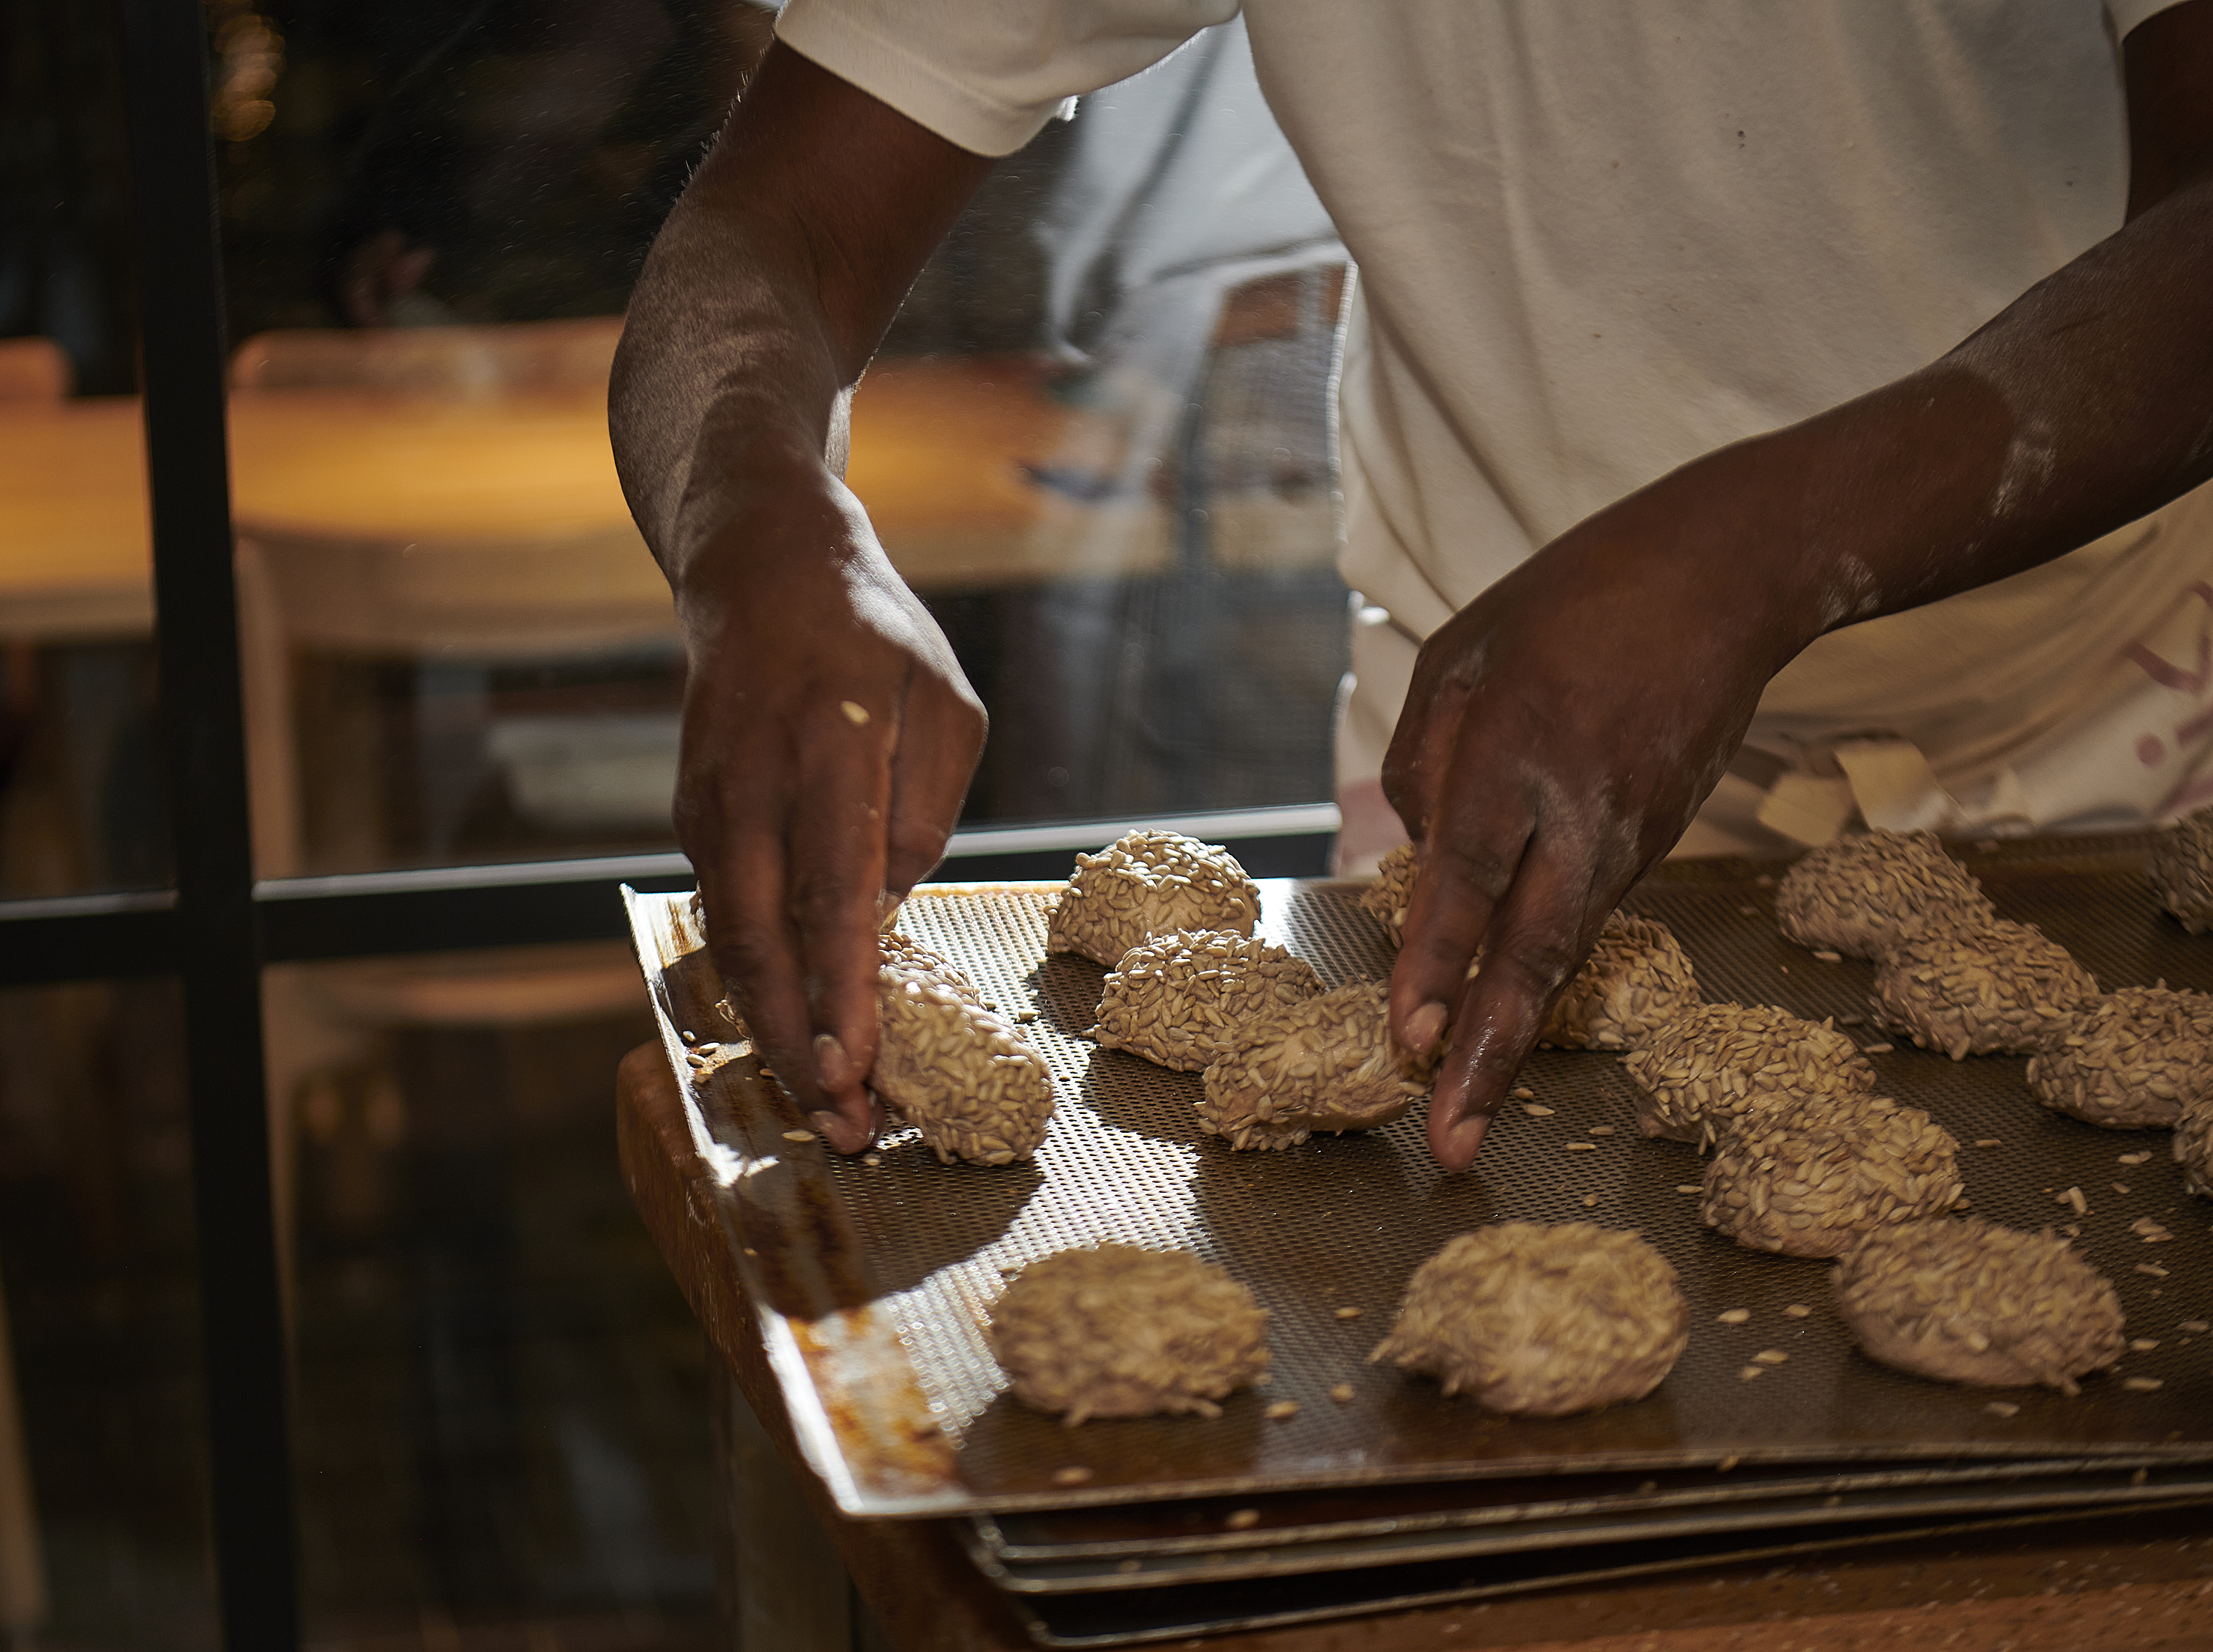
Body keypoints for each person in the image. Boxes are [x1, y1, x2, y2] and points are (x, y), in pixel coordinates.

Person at [608, 1, 2213, 1171]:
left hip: (2094, 702)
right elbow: (779, 226)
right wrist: (756, 511)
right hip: (1475, 760)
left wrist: (1756, 550)